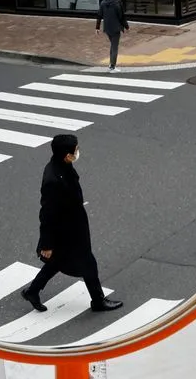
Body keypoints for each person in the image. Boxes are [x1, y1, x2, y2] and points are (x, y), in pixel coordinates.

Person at [21, 134, 123, 313]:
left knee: (57, 262)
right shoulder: (53, 179)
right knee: (87, 263)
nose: (77, 152)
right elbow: (46, 214)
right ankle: (98, 301)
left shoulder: (62, 165)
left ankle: (33, 290)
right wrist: (46, 244)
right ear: (66, 155)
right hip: (67, 232)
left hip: (72, 227)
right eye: (75, 150)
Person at [95, 0, 129, 72]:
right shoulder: (118, 3)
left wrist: (97, 27)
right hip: (116, 28)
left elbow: (99, 15)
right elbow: (122, 17)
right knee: (115, 47)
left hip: (107, 28)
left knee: (113, 46)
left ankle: (111, 64)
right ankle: (112, 66)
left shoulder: (103, 2)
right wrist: (126, 27)